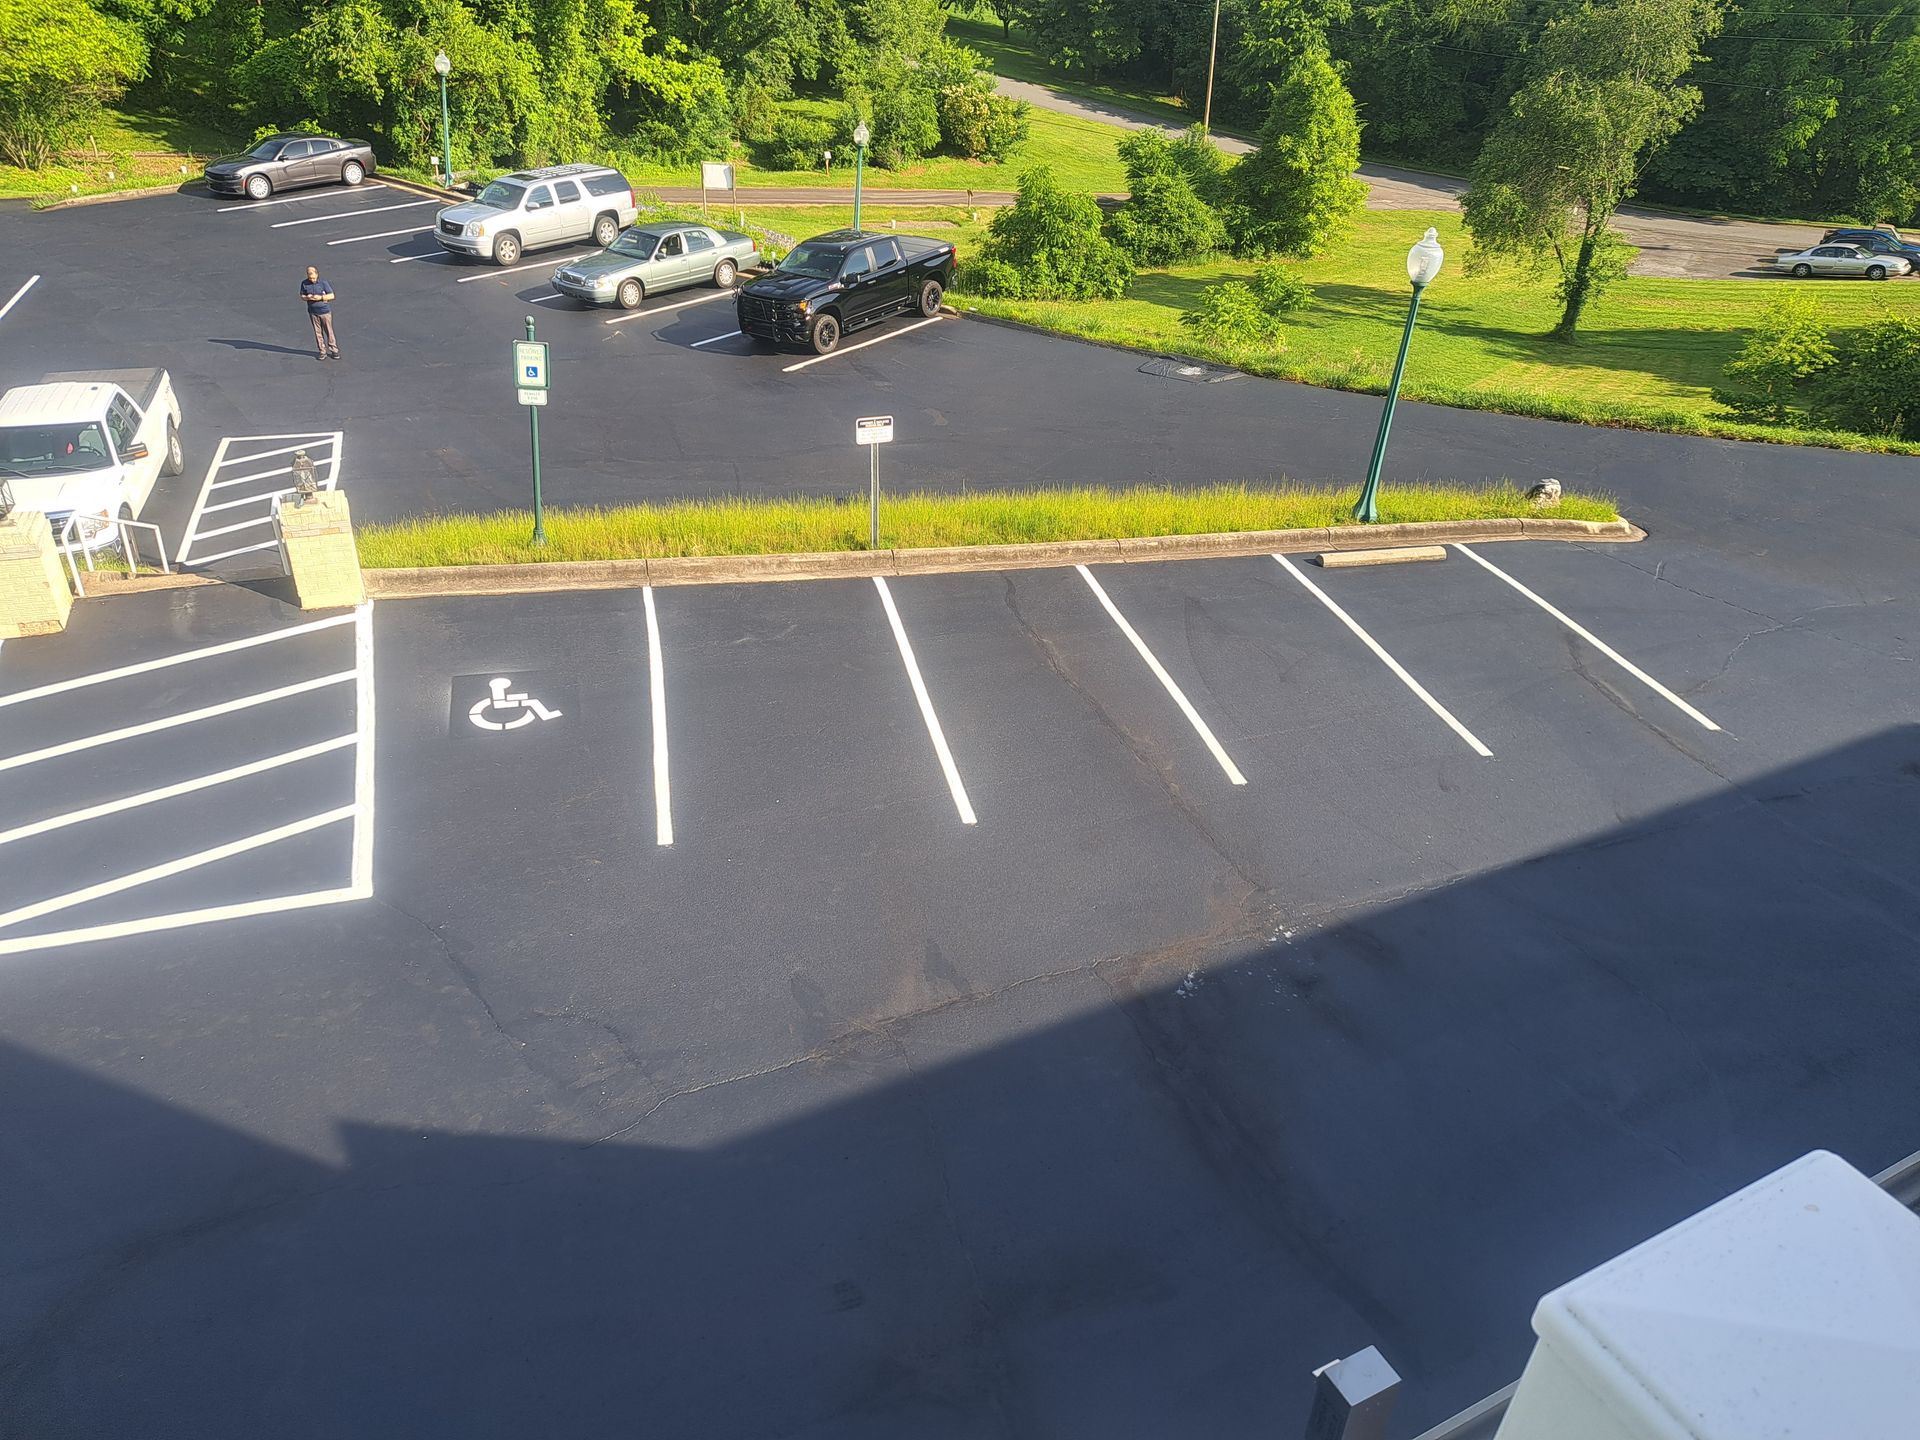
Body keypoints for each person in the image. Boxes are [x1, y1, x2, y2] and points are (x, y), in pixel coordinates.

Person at [300, 266, 341, 360]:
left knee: (329, 331)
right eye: (310, 278)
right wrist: (307, 297)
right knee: (318, 332)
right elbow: (302, 295)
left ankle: (334, 350)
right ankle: (322, 351)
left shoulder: (323, 283)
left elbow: (332, 295)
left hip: (324, 312)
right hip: (313, 312)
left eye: (314, 278)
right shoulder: (304, 283)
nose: (312, 280)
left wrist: (320, 298)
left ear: (317, 274)